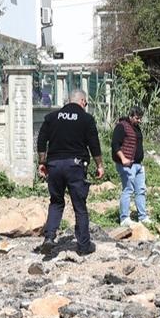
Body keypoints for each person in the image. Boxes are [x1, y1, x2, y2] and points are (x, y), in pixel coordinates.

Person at [35, 89, 105, 256]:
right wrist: (100, 165)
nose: (85, 106)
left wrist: (42, 162)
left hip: (54, 165)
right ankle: (83, 246)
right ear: (82, 101)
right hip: (75, 166)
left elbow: (41, 140)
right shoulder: (86, 119)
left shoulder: (52, 117)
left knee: (56, 202)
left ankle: (49, 238)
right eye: (86, 103)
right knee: (79, 207)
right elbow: (94, 144)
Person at [110, 106, 148, 224]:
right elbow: (115, 145)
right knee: (128, 189)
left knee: (140, 190)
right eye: (137, 118)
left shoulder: (136, 128)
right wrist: (123, 159)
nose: (139, 120)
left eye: (140, 118)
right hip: (127, 165)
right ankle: (124, 218)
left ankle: (143, 217)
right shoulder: (121, 126)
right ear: (131, 116)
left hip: (138, 165)